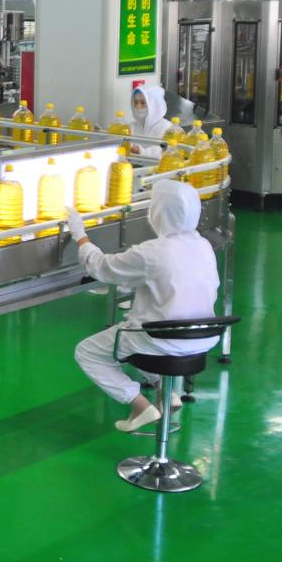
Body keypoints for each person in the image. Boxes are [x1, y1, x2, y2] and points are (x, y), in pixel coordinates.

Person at [68, 179, 219, 432]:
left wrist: (80, 236)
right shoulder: (204, 246)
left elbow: (102, 267)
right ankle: (166, 393)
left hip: (161, 339)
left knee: (89, 352)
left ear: (160, 212)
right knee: (139, 336)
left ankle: (140, 405)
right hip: (201, 336)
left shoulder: (151, 253)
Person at [128, 82, 173, 160]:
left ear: (154, 105)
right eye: (136, 102)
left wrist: (141, 151)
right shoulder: (131, 126)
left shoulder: (167, 127)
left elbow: (168, 152)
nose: (138, 106)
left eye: (143, 103)